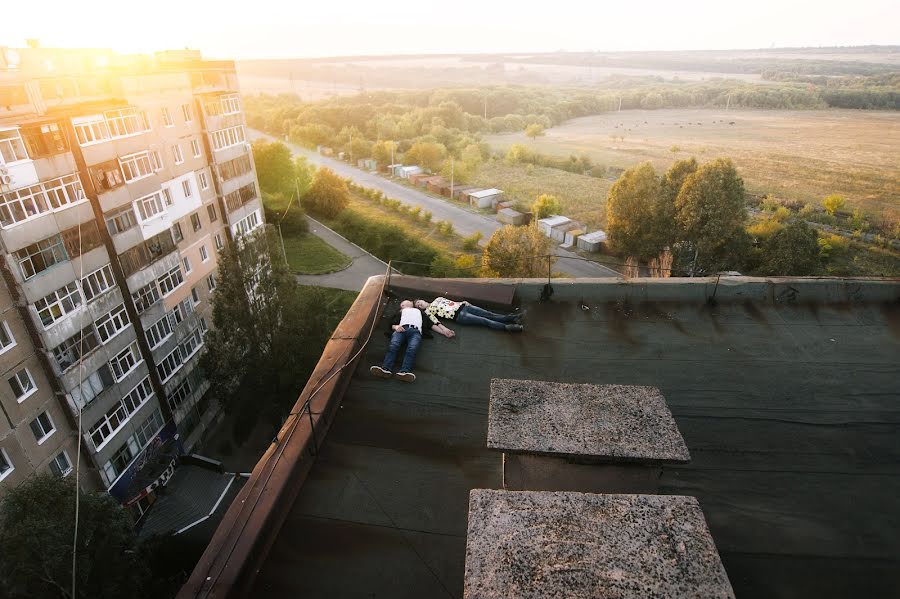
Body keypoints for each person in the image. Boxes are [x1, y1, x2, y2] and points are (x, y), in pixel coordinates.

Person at [370, 299, 454, 383]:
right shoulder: (401, 311)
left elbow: (430, 324)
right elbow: (392, 323)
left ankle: (404, 371)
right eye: (405, 301)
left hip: (415, 331)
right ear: (402, 305)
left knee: (412, 349)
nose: (409, 301)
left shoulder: (419, 311)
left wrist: (444, 332)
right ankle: (385, 368)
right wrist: (396, 327)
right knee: (393, 346)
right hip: (401, 329)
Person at [415, 297, 524, 333]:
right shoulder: (428, 312)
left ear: (423, 300)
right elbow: (436, 322)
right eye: (418, 306)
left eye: (420, 302)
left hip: (464, 306)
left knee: (489, 314)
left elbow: (451, 302)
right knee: (484, 320)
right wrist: (445, 331)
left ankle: (513, 318)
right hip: (459, 316)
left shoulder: (438, 298)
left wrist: (462, 302)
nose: (420, 304)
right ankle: (508, 327)